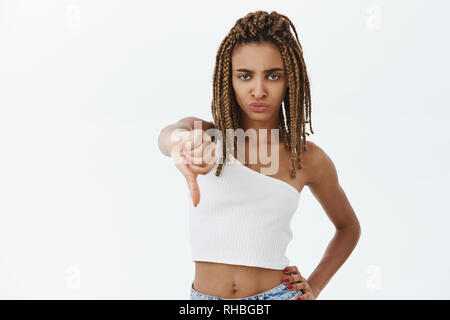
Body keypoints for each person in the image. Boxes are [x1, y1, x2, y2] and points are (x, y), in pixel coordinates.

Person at [158, 10, 361, 300]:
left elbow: (348, 228)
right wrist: (179, 141)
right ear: (229, 80)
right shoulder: (207, 137)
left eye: (273, 76)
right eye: (245, 76)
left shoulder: (308, 158)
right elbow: (169, 134)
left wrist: (314, 286)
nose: (258, 90)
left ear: (290, 79)